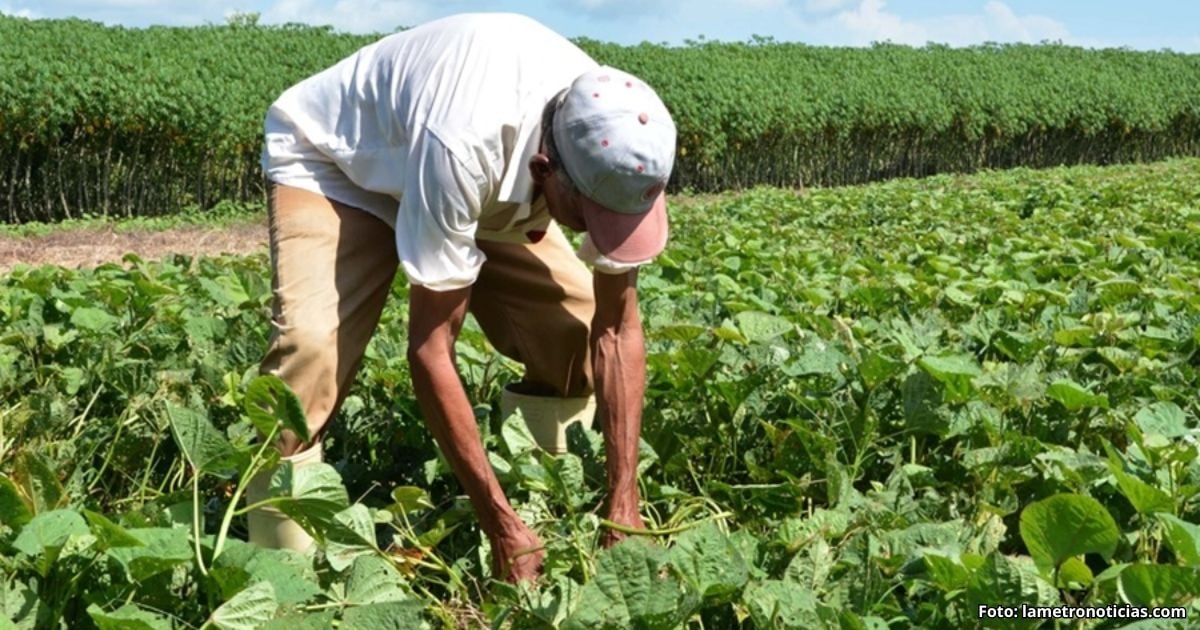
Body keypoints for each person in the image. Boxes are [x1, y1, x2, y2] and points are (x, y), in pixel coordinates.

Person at [247, 12, 677, 583]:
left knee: (570, 331)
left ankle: (544, 493)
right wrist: (498, 524)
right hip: (340, 166)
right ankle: (282, 574)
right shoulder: (466, 140)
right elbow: (430, 349)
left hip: (470, 180)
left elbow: (616, 331)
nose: (603, 232)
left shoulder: (613, 133)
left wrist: (624, 503)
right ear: (546, 171)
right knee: (310, 352)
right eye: (591, 217)